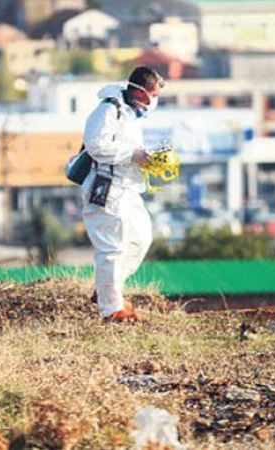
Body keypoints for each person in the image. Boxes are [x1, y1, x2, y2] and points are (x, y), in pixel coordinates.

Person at [81, 66, 164, 322]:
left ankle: (107, 287)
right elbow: (95, 145)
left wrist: (146, 159)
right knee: (112, 247)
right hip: (106, 188)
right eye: (153, 94)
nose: (155, 100)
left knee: (141, 238)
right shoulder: (108, 109)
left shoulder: (131, 114)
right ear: (140, 92)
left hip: (128, 187)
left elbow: (126, 147)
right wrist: (133, 155)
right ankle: (111, 309)